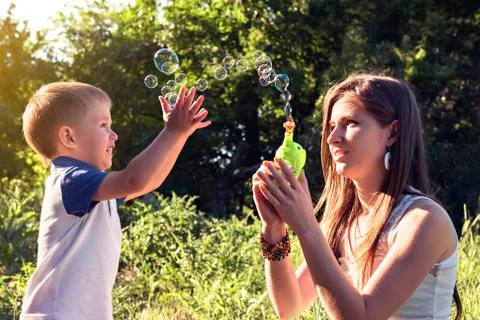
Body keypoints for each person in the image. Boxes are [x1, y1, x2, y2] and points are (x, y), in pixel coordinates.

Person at [252, 73, 462, 319]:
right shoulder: (342, 222)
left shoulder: (423, 220)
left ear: (392, 133)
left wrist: (306, 225)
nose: (332, 138)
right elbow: (290, 305)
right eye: (331, 127)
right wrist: (273, 228)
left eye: (350, 123)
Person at [20, 82, 210, 319]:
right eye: (104, 125)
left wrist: (179, 135)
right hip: (56, 314)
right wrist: (170, 132)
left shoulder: (94, 188)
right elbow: (135, 180)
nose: (114, 135)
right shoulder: (71, 180)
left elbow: (149, 182)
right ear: (69, 136)